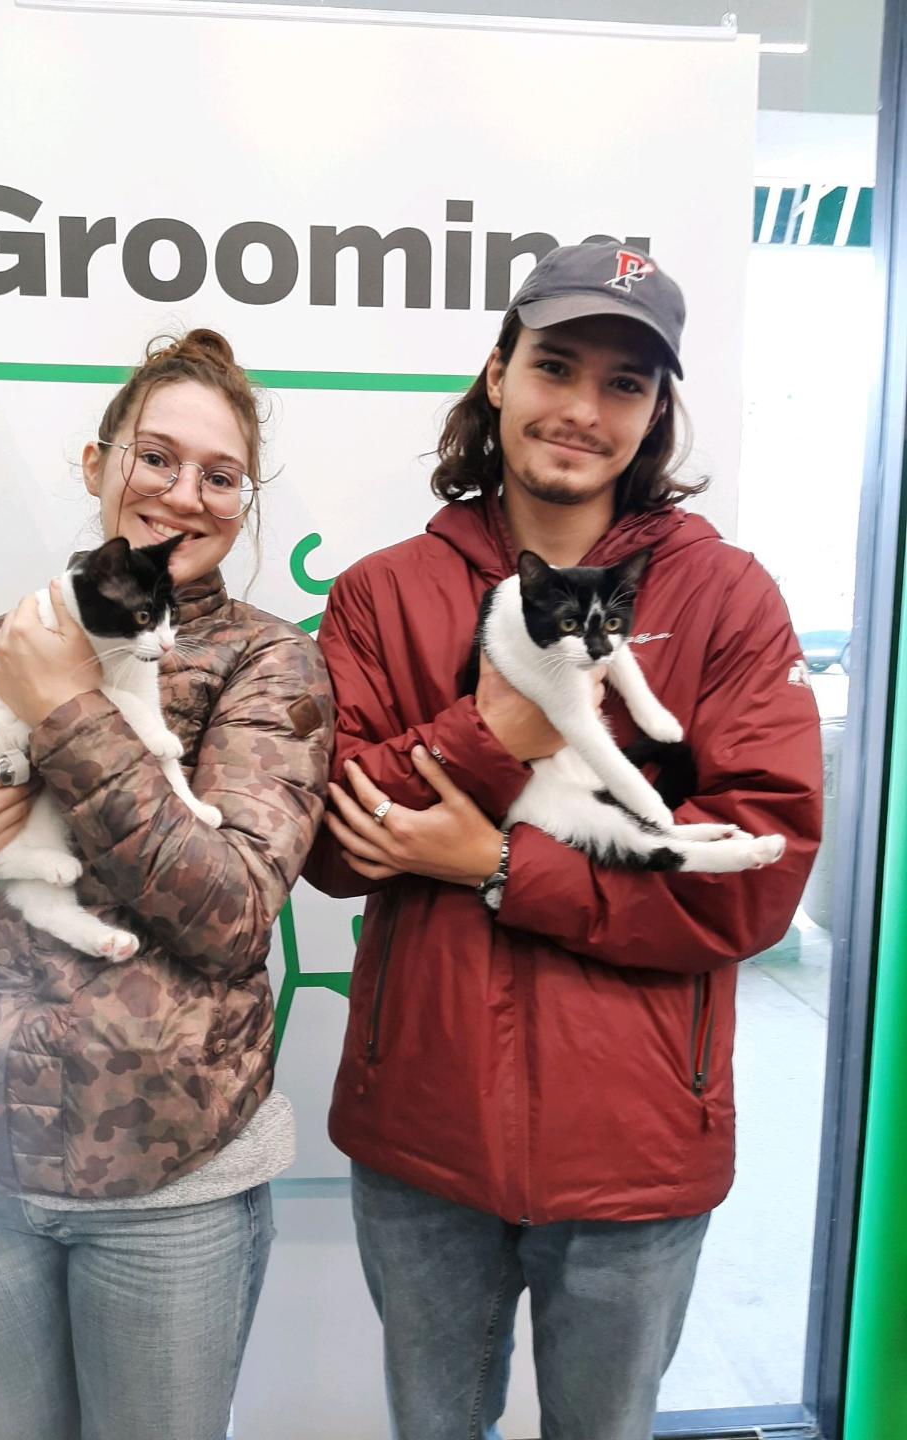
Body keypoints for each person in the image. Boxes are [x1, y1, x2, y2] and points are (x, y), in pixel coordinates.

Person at [306, 243, 823, 1440]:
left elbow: (754, 879)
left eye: (626, 385)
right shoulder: (385, 594)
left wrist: (491, 863)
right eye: (557, 366)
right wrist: (495, 729)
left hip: (635, 1150)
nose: (584, 411)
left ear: (655, 416)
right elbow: (332, 840)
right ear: (497, 375)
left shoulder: (727, 599)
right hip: (423, 1140)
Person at [0, 329, 334, 1440]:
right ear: (96, 463)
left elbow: (230, 911)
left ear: (245, 504)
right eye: (155, 457)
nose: (182, 494)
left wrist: (70, 709)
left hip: (169, 1194)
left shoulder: (273, 665)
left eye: (221, 476)